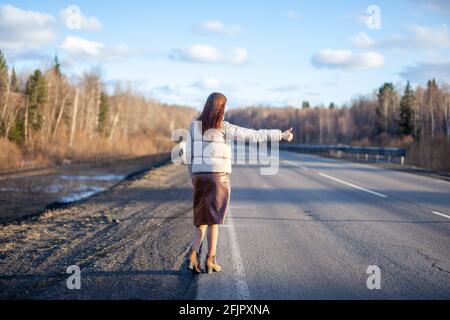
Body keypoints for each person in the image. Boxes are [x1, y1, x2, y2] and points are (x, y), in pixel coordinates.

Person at [187, 92, 294, 274]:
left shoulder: (193, 127)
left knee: (201, 220)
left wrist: (192, 175)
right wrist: (280, 135)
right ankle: (211, 260)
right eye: (225, 106)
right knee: (214, 220)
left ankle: (192, 256)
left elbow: (189, 154)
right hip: (218, 178)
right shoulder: (224, 127)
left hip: (200, 177)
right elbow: (253, 135)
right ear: (220, 108)